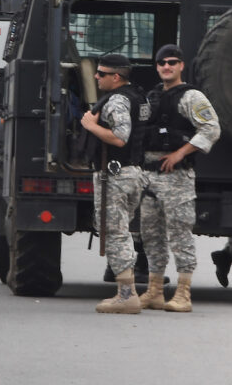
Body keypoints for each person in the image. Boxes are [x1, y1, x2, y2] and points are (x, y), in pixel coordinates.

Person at [138, 45, 221, 312]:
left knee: (180, 234)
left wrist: (179, 153)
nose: (166, 67)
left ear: (181, 65)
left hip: (177, 177)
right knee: (150, 234)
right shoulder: (151, 96)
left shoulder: (191, 97)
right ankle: (154, 291)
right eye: (161, 62)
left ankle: (183, 293)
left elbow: (211, 128)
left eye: (172, 62)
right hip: (149, 175)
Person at [81, 54, 148, 314]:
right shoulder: (138, 96)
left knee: (115, 232)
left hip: (116, 175)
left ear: (116, 77)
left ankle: (126, 294)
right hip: (132, 173)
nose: (96, 77)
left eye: (101, 73)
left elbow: (120, 137)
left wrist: (90, 125)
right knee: (122, 232)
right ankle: (125, 290)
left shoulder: (117, 100)